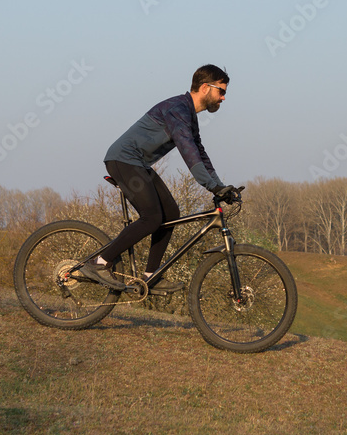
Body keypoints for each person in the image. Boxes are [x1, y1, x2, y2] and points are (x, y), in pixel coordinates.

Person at [83, 64, 235, 293]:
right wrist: (211, 185)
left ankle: (150, 275)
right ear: (205, 88)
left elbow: (200, 152)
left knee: (171, 214)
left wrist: (220, 187)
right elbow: (188, 151)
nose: (224, 98)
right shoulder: (178, 109)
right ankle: (100, 263)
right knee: (151, 217)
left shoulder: (188, 115)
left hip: (138, 164)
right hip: (123, 160)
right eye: (221, 91)